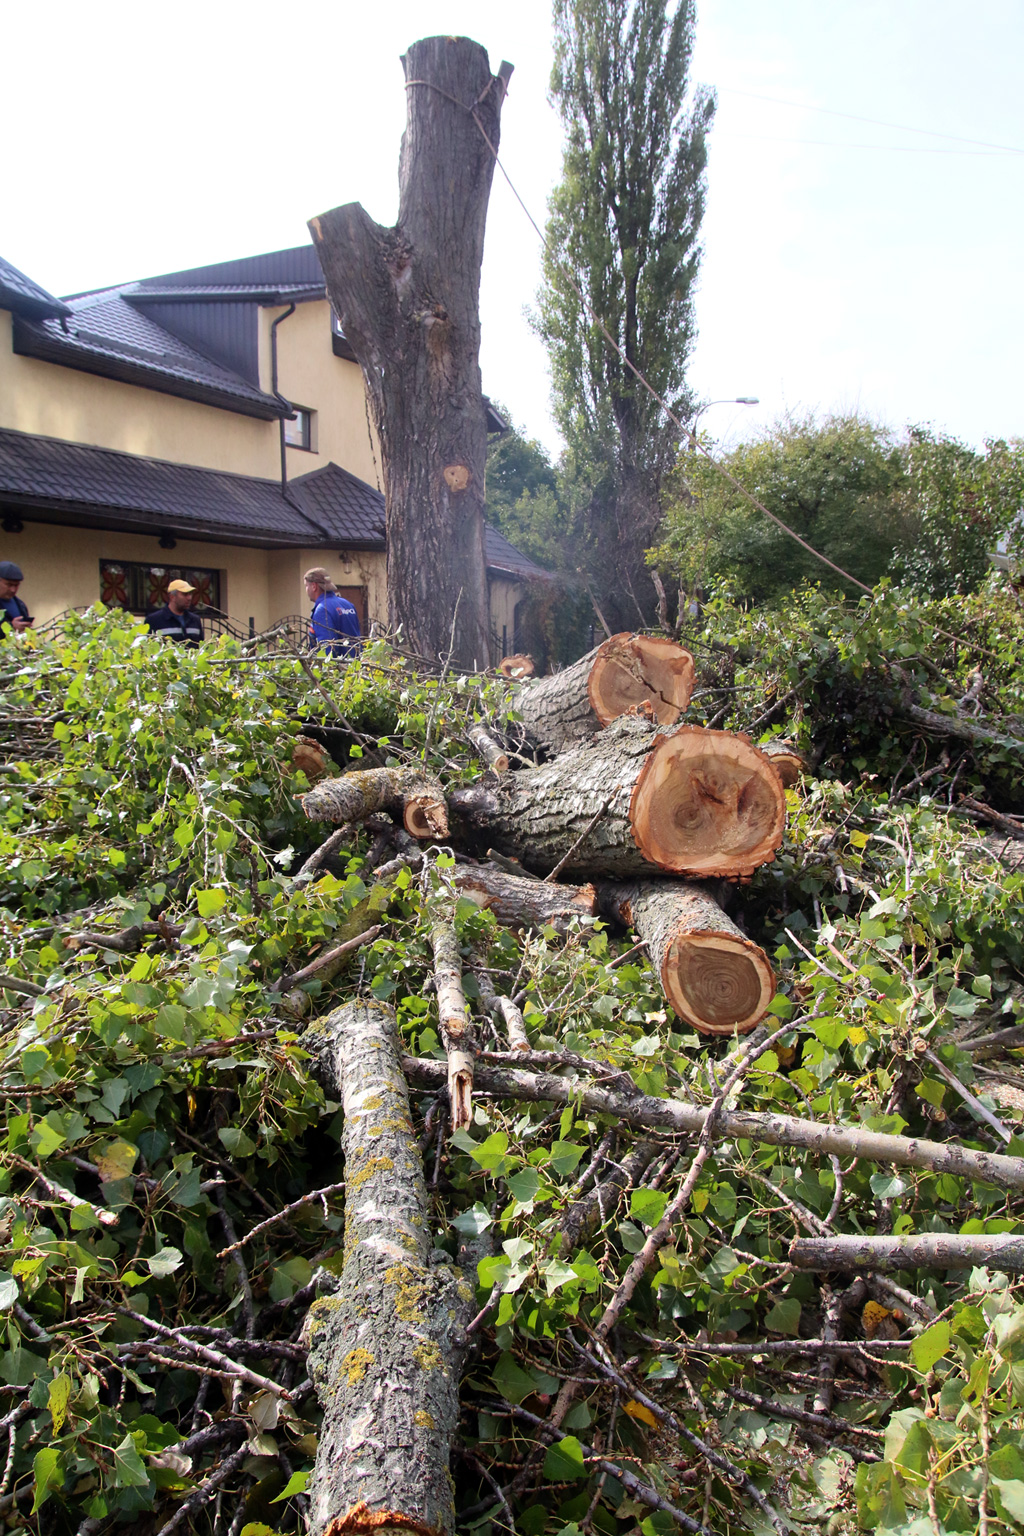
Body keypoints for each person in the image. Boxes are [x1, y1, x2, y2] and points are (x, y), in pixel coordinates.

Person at [304, 567, 360, 657]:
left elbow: (328, 649)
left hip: (338, 668)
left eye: (306, 586)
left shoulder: (322, 610)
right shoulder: (348, 605)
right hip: (355, 665)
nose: (306, 590)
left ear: (314, 586)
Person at [145, 579, 205, 645]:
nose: (189, 598)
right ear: (172, 597)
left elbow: (201, 647)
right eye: (185, 594)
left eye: (190, 594)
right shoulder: (154, 620)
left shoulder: (195, 620)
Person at [0, 561, 32, 634]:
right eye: (9, 585)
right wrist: (11, 628)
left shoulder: (21, 605)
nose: (13, 590)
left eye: (16, 585)